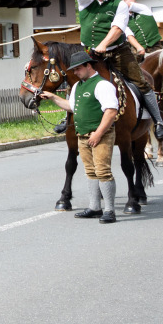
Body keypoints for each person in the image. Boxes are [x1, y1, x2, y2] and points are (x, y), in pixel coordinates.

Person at [82, 0, 163, 140]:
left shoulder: (119, 5)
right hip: (90, 52)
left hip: (118, 52)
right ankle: (68, 117)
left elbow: (118, 28)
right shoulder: (87, 0)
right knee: (76, 79)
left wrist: (103, 44)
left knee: (141, 82)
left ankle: (158, 121)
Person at [44, 49, 119, 224]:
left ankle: (110, 210)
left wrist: (98, 133)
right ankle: (95, 207)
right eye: (74, 69)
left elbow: (111, 111)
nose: (75, 72)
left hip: (100, 135)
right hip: (83, 135)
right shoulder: (77, 86)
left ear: (88, 66)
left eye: (78, 69)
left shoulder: (102, 85)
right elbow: (71, 106)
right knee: (91, 172)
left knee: (103, 172)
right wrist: (53, 97)